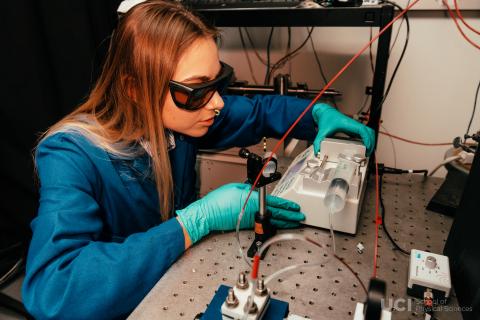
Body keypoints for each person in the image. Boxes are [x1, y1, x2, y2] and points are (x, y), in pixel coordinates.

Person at [22, 1, 375, 319]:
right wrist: (193, 223)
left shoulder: (182, 119)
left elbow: (258, 113)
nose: (217, 103)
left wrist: (317, 116)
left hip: (175, 280)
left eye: (217, 83)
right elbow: (54, 289)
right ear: (134, 88)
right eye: (198, 89)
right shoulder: (71, 153)